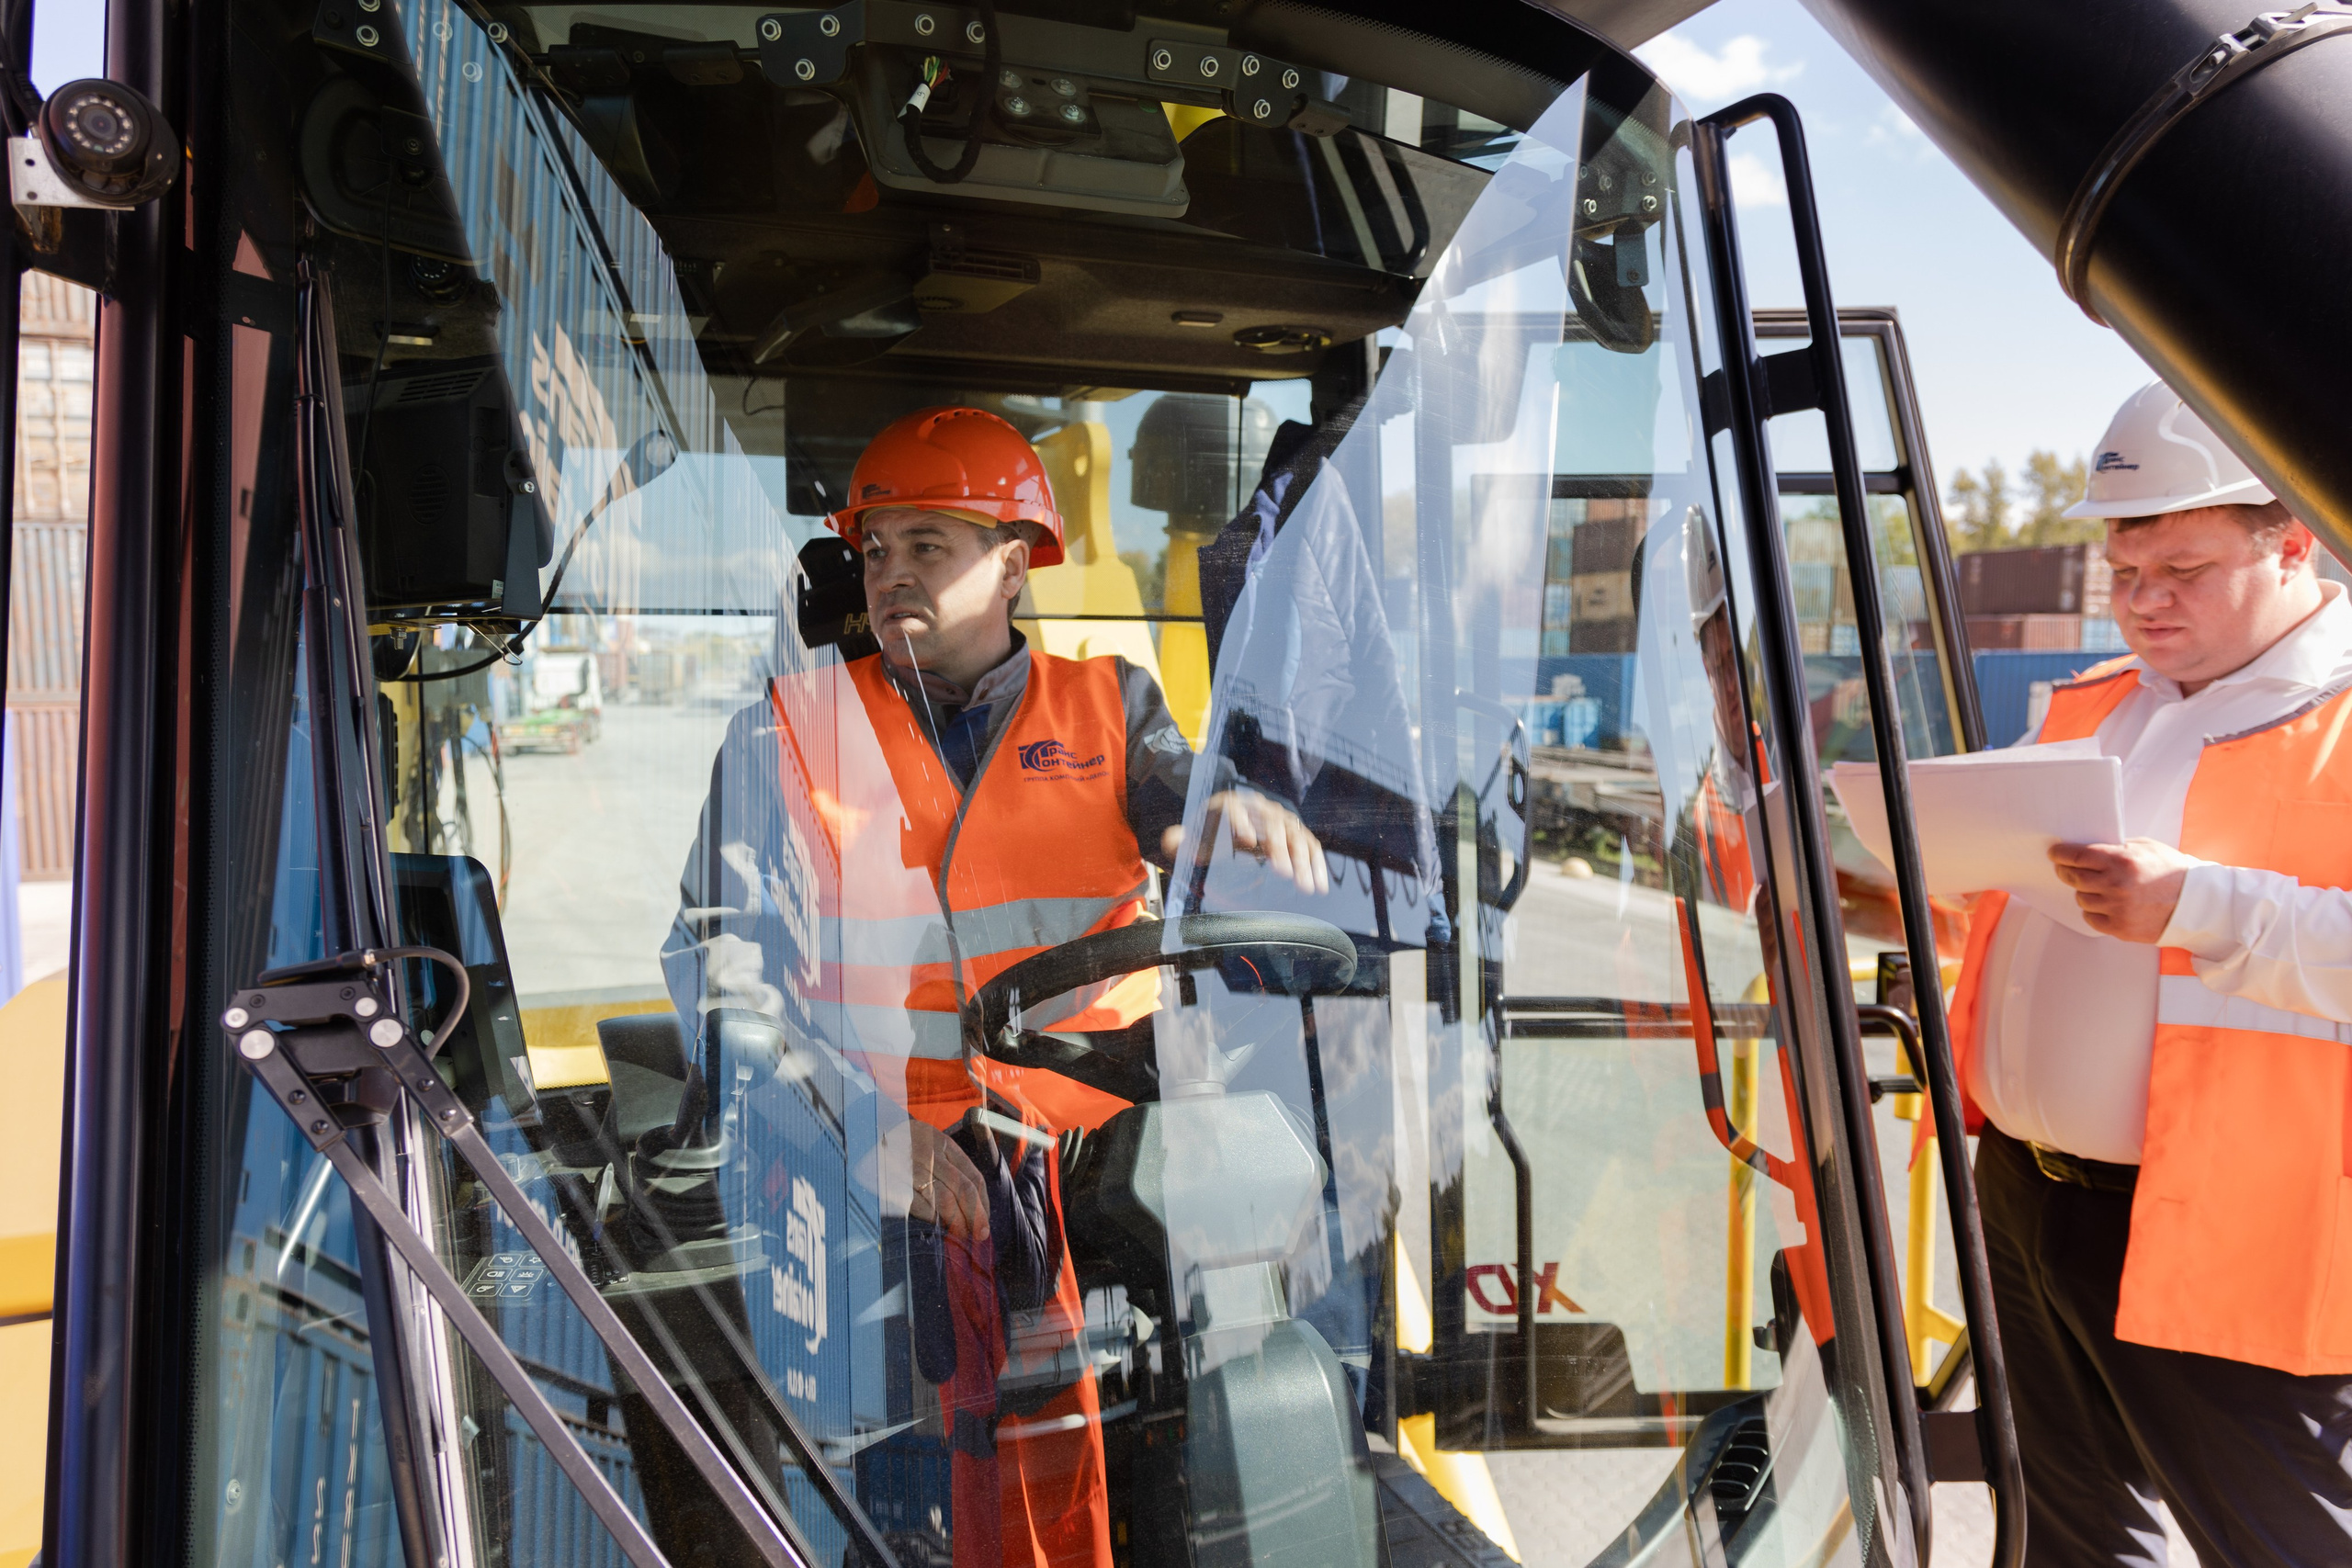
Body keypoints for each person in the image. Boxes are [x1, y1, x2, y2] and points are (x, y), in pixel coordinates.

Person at [661, 405, 1325, 1568]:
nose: (891, 573)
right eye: (876, 548)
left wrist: (1216, 819)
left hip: (1097, 1183)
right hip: (880, 1193)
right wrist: (857, 1131)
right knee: (911, 1513)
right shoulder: (784, 734)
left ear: (1013, 567)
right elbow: (719, 970)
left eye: (929, 545)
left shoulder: (1111, 707)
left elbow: (1179, 808)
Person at [1946, 381, 2352, 1564]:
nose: (2142, 601)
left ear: (2291, 540)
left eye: (2181, 570)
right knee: (2065, 1532)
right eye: (2123, 573)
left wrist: (2198, 905)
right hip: (2024, 1193)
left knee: (2283, 1544)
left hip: (2232, 1224)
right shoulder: (2094, 703)